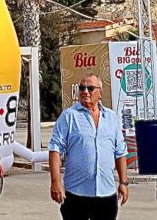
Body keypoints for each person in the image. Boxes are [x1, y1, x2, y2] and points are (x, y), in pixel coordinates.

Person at [48, 73, 129, 220]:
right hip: (76, 194)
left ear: (100, 92)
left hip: (106, 193)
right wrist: (56, 182)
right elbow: (55, 149)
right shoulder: (69, 116)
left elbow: (120, 152)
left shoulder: (112, 118)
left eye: (90, 88)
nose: (85, 91)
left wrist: (123, 182)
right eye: (82, 88)